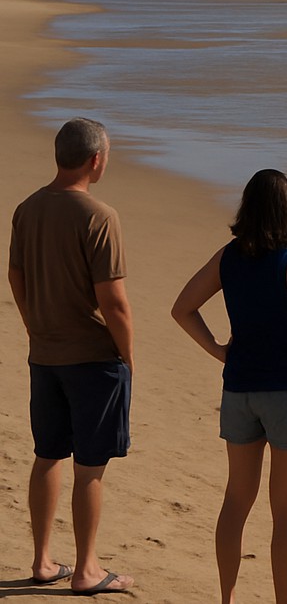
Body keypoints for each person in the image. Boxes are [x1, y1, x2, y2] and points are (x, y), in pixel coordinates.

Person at [171, 169, 287, 604]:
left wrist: (219, 350)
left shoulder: (228, 257)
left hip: (240, 390)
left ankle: (226, 598)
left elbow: (183, 308)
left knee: (236, 500)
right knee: (286, 507)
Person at [7, 117, 135, 595]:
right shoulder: (99, 215)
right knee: (90, 466)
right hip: (92, 356)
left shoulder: (28, 208)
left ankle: (42, 561)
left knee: (47, 455)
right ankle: (86, 569)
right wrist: (128, 353)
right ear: (95, 160)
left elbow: (16, 277)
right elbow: (113, 300)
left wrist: (33, 325)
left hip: (46, 352)